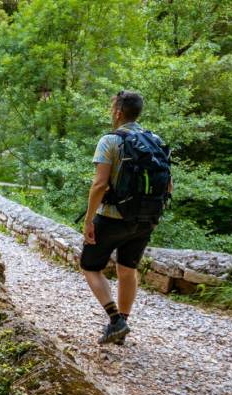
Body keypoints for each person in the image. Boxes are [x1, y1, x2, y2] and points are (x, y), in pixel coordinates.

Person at [80, 91, 172, 345]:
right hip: (146, 219)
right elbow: (169, 186)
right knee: (127, 269)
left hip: (112, 218)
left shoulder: (110, 141)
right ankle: (123, 322)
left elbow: (99, 185)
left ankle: (115, 321)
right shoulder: (155, 140)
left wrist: (89, 221)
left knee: (90, 267)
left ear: (118, 112)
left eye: (113, 108)